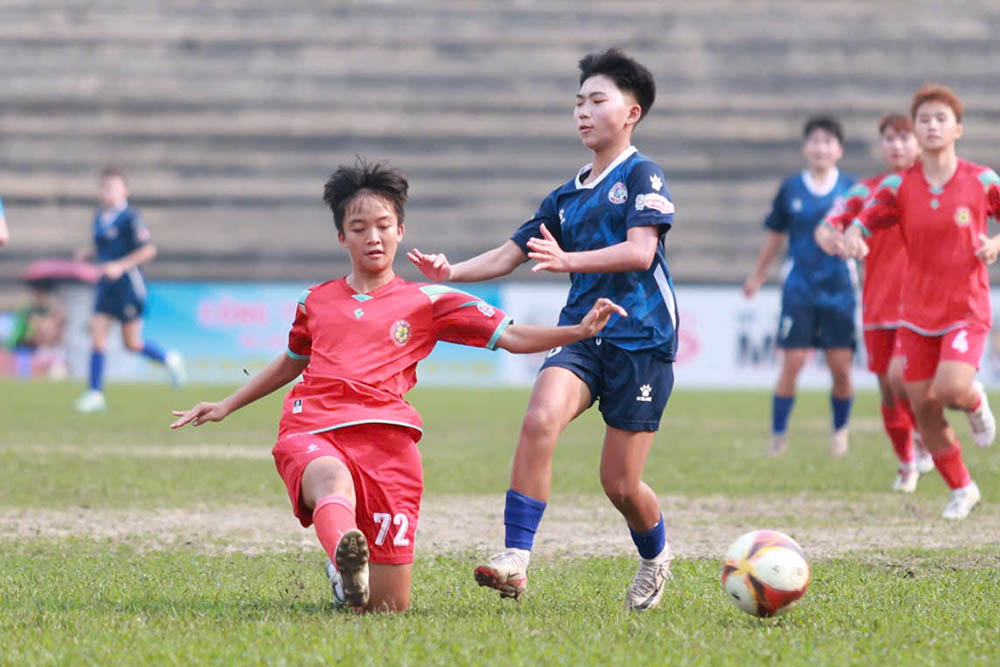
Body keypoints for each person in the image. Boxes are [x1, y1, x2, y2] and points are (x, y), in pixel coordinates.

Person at [170, 158, 626, 613]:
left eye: (383, 225)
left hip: (388, 448)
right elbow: (293, 361)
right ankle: (342, 554)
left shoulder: (426, 302)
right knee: (332, 482)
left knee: (388, 608)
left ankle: (344, 575)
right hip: (314, 427)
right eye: (359, 227)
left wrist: (578, 332)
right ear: (341, 237)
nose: (373, 236)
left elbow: (511, 336)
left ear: (400, 231)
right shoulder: (315, 300)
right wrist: (227, 405)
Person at [408, 48, 678, 611]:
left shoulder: (643, 173)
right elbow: (510, 254)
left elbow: (639, 251)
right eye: (578, 101)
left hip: (642, 340)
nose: (583, 111)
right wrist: (451, 272)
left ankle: (655, 557)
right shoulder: (565, 194)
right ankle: (516, 558)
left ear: (631, 113)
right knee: (539, 418)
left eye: (597, 100)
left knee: (621, 485)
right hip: (583, 335)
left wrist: (569, 262)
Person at [844, 83, 997, 520]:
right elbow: (864, 221)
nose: (931, 126)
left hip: (965, 308)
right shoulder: (899, 187)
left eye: (940, 119)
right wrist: (854, 236)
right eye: (924, 119)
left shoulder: (981, 180)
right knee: (922, 406)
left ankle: (973, 400)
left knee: (949, 390)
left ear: (957, 129)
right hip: (916, 314)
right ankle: (962, 487)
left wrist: (996, 244)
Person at [816, 113, 934, 492]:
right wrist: (834, 239)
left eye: (904, 138)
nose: (897, 145)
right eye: (889, 138)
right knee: (888, 388)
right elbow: (828, 224)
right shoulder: (866, 190)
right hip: (877, 305)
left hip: (920, 307)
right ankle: (906, 463)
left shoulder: (933, 188)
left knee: (905, 381)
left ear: (918, 144)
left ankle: (924, 435)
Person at [744, 116, 857, 458]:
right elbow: (775, 236)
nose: (821, 148)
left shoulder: (851, 189)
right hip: (800, 289)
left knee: (840, 366)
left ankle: (840, 431)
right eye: (815, 141)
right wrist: (758, 275)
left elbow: (863, 232)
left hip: (839, 288)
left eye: (828, 141)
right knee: (793, 362)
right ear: (806, 147)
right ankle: (778, 435)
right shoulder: (791, 188)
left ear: (838, 149)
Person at [74, 167, 185, 412]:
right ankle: (95, 394)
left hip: (127, 286)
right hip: (106, 285)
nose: (107, 192)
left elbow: (148, 250)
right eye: (104, 187)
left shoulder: (130, 217)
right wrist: (89, 255)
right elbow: (106, 248)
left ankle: (169, 359)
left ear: (125, 190)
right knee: (98, 338)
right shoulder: (99, 217)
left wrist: (120, 266)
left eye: (112, 187)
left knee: (131, 343)